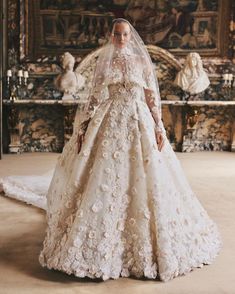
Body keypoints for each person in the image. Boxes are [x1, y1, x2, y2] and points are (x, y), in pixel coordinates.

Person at [0, 18, 221, 282]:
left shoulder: (141, 62)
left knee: (147, 177)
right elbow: (94, 97)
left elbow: (152, 97)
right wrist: (82, 130)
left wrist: (159, 128)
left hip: (138, 120)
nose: (121, 38)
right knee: (101, 176)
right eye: (117, 34)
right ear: (112, 36)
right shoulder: (105, 63)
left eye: (125, 34)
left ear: (131, 36)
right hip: (110, 119)